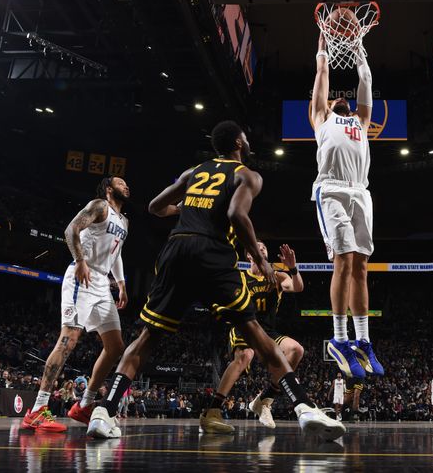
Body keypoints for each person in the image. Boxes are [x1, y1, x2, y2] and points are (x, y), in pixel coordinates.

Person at [86, 121, 344, 441]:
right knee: (254, 333)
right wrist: (261, 259)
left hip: (176, 248)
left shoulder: (194, 171)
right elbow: (237, 214)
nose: (248, 142)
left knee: (148, 337)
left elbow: (154, 207)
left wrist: (184, 208)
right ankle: (304, 408)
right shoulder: (247, 174)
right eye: (246, 138)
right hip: (212, 252)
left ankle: (104, 411)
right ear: (238, 143)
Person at [21, 176, 130, 433]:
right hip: (83, 275)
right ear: (108, 188)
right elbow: (71, 230)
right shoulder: (99, 206)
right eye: (121, 183)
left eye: (127, 184)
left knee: (115, 347)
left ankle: (84, 404)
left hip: (103, 283)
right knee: (69, 339)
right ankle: (37, 409)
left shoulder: (124, 221)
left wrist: (122, 283)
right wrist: (80, 260)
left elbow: (116, 253)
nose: (127, 186)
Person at [311, 33, 383, 379]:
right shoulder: (321, 119)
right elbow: (323, 75)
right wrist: (324, 42)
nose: (341, 98)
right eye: (334, 99)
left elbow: (366, 78)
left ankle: (363, 341)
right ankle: (339, 339)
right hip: (332, 191)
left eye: (345, 98)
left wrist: (357, 45)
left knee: (361, 268)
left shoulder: (361, 122)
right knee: (342, 262)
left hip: (361, 192)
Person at [210, 241, 305, 432]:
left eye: (264, 247)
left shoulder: (278, 276)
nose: (261, 248)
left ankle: (264, 400)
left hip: (268, 331)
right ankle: (212, 410)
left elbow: (297, 287)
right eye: (257, 246)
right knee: (245, 356)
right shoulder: (241, 276)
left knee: (296, 350)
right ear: (249, 255)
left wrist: (293, 268)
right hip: (245, 326)